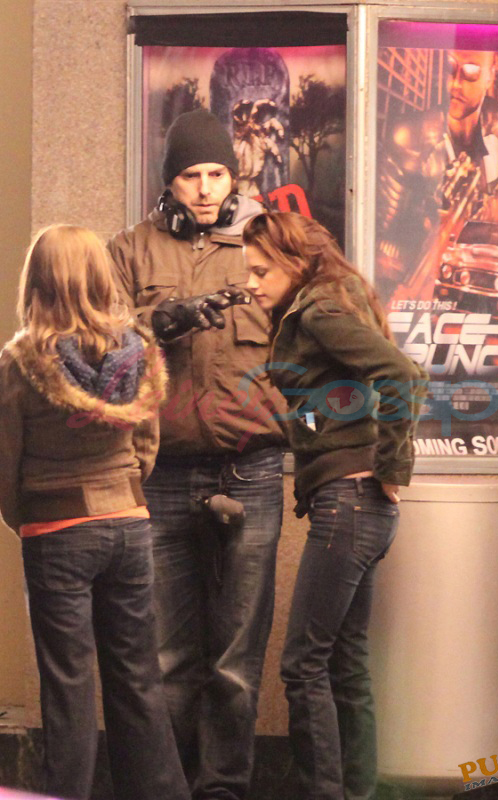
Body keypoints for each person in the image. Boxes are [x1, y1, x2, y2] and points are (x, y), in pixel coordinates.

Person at [108, 109, 287, 800]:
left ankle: (224, 791)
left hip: (253, 470)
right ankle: (169, 789)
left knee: (237, 661)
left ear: (234, 176)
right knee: (166, 657)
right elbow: (93, 341)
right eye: (191, 175)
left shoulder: (270, 245)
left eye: (217, 173)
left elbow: (319, 336)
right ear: (169, 182)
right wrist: (159, 321)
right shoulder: (130, 250)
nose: (206, 188)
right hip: (162, 473)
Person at [242, 211, 429, 800]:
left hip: (349, 502)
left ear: (296, 262)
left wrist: (393, 466)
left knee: (303, 664)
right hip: (360, 507)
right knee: (345, 663)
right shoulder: (332, 300)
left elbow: (403, 376)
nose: (251, 283)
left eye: (261, 270)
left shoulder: (319, 311)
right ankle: (357, 791)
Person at [0, 225, 190, 800]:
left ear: (37, 280)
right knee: (138, 678)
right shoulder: (137, 351)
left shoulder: (21, 361)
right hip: (128, 522)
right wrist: (122, 493)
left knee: (69, 687)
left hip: (56, 532)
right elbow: (146, 445)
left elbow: (5, 460)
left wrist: (24, 517)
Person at [377, 48, 498, 297]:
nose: (455, 84)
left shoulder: (496, 121)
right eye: (449, 68)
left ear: (490, 75)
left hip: (474, 269)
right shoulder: (408, 137)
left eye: (470, 72)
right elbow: (380, 240)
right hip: (422, 282)